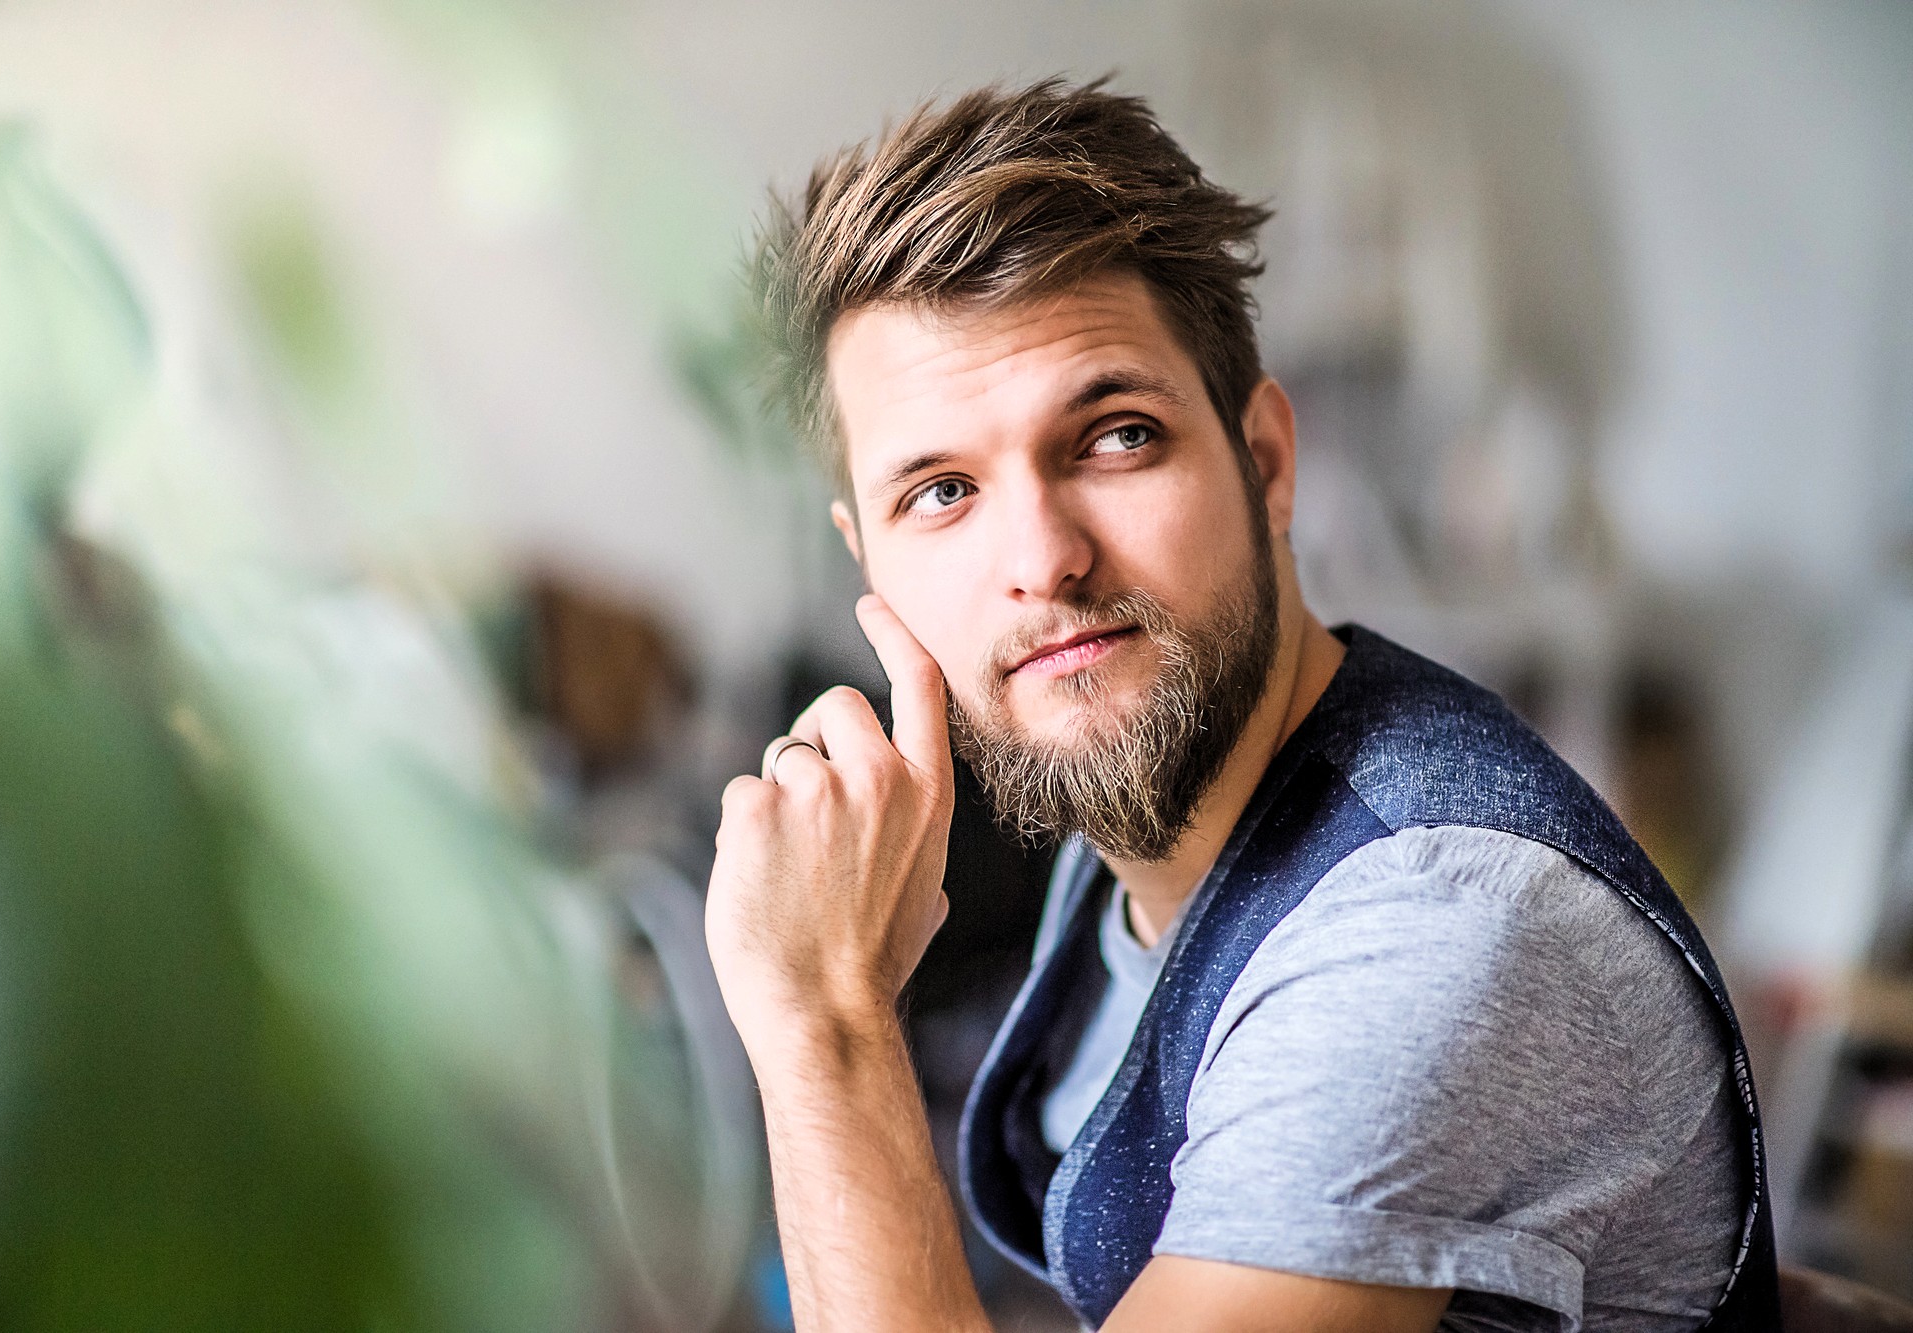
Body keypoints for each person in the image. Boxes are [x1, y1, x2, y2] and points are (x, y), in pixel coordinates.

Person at [704, 79, 1779, 1333]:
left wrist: (822, 1021)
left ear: (1263, 458)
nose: (1042, 558)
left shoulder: (1429, 931)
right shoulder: (1151, 818)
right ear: (866, 560)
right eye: (940, 492)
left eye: (1112, 436)